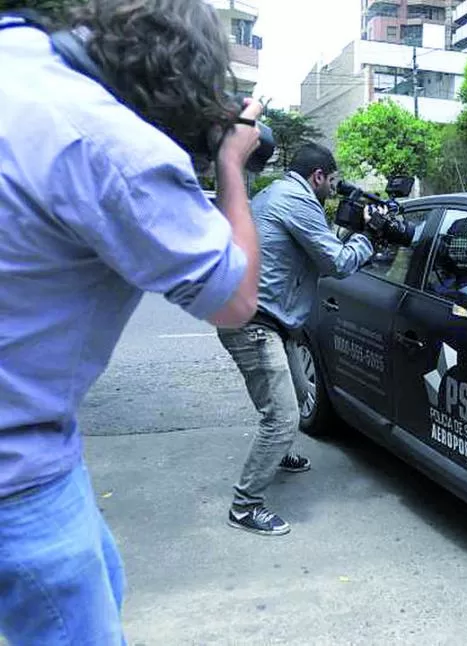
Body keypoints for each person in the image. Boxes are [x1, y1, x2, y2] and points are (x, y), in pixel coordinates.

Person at [0, 1, 263, 644]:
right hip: (16, 470)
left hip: (42, 450)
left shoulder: (19, 55)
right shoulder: (110, 144)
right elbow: (234, 299)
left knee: (107, 578)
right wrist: (230, 164)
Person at [219, 142, 375, 537]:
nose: (333, 189)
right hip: (254, 323)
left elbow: (314, 246)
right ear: (318, 176)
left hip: (268, 319)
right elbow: (337, 262)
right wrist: (367, 238)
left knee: (301, 389)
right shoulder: (296, 199)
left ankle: (279, 451)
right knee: (284, 415)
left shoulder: (277, 191)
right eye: (332, 182)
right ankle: (245, 506)